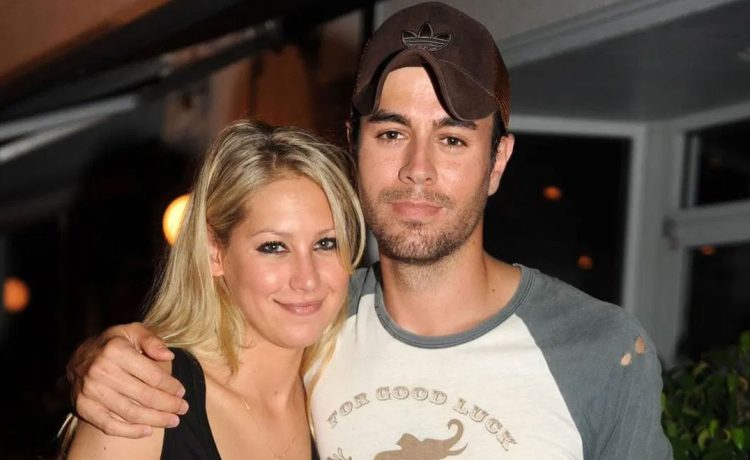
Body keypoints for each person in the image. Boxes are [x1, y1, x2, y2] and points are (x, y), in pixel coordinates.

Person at [67, 2, 672, 458]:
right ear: (355, 146)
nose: (417, 168)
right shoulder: (318, 320)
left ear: (498, 162)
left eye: (452, 139)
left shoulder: (602, 351)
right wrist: (99, 361)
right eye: (391, 132)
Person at [63, 121, 365, 459]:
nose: (307, 279)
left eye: (326, 243)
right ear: (214, 254)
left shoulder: (344, 395)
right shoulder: (143, 394)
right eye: (274, 247)